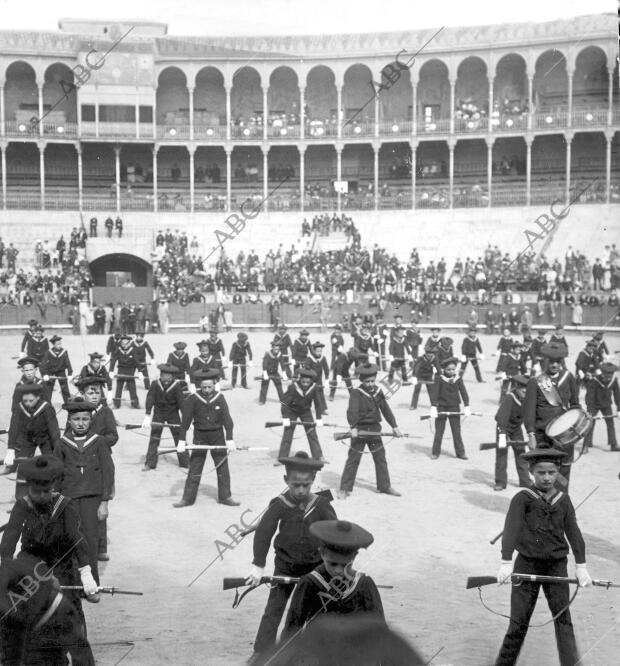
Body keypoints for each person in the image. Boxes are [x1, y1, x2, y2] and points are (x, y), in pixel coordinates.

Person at [494, 449, 591, 666]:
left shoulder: (564, 500)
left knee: (563, 620)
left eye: (551, 472)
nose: (546, 477)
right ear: (531, 473)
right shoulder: (522, 498)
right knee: (518, 623)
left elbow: (574, 533)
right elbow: (511, 529)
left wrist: (581, 565)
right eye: (541, 473)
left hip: (556, 566)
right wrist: (506, 562)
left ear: (558, 473)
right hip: (526, 564)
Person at [246, 452, 337, 664]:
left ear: (313, 480)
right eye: (295, 484)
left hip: (315, 567)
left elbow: (335, 535)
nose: (301, 490)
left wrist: (333, 566)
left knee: (316, 611)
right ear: (286, 480)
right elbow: (264, 534)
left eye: (306, 484)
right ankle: (262, 651)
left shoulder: (321, 504)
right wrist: (258, 565)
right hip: (285, 565)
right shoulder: (278, 503)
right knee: (273, 609)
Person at [281, 520, 384, 643]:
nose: (339, 570)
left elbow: (379, 629)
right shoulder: (309, 583)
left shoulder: (364, 584)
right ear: (322, 553)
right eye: (333, 564)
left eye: (345, 564)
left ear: (354, 556)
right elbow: (292, 630)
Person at [54, 397, 115, 600]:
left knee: (89, 542)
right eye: (76, 419)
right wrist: (54, 503)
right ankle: (72, 588)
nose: (81, 423)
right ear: (69, 421)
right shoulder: (61, 444)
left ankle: (91, 587)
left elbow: (108, 472)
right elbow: (55, 476)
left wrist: (104, 502)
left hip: (92, 501)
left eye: (85, 419)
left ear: (91, 420)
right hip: (68, 501)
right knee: (69, 542)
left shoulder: (99, 442)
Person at [173, 369, 239, 507]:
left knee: (222, 467)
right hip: (200, 436)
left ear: (214, 385)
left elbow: (227, 420)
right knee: (195, 467)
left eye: (209, 387)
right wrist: (181, 440)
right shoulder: (193, 398)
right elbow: (185, 421)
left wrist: (230, 439)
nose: (207, 390)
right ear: (199, 386)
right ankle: (187, 499)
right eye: (204, 387)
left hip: (217, 435)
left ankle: (225, 497)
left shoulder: (220, 398)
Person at [338, 364, 402, 498]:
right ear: (362, 381)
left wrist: (394, 426)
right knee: (353, 459)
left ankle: (384, 486)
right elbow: (352, 411)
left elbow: (386, 409)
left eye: (372, 381)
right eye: (367, 381)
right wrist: (353, 428)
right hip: (360, 430)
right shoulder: (356, 393)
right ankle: (345, 488)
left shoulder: (378, 392)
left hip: (374, 430)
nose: (370, 384)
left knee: (380, 458)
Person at [523, 343, 579, 487]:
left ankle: (561, 507)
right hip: (543, 438)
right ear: (545, 361)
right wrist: (530, 434)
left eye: (558, 361)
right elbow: (529, 411)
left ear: (562, 362)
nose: (554, 364)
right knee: (544, 477)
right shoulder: (535, 381)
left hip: (564, 437)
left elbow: (575, 405)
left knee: (563, 475)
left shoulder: (569, 378)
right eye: (551, 361)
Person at [7, 384, 61, 499]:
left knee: (51, 464)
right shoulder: (19, 408)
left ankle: (53, 495)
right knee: (22, 465)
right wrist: (10, 449)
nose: (27, 403)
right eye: (25, 400)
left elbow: (54, 431)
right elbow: (14, 428)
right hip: (27, 438)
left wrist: (57, 450)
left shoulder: (46, 408)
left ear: (38, 397)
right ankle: (21, 498)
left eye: (31, 400)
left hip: (45, 438)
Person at [143, 364, 190, 470]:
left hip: (173, 413)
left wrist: (186, 419)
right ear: (160, 375)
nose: (166, 378)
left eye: (169, 376)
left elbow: (181, 402)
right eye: (164, 375)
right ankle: (150, 462)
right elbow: (150, 398)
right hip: (158, 413)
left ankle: (185, 462)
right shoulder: (155, 384)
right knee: (155, 437)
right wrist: (147, 414)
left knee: (179, 436)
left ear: (173, 377)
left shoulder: (177, 386)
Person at [278, 368, 324, 462]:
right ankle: (282, 457)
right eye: (303, 382)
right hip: (292, 411)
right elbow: (284, 403)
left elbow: (318, 404)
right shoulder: (293, 387)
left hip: (305, 411)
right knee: (288, 433)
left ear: (311, 381)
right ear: (300, 380)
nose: (305, 385)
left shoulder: (314, 388)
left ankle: (318, 456)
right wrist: (285, 417)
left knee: (312, 433)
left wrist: (319, 418)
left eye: (308, 382)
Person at [494, 375, 530, 491]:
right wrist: (503, 435)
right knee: (502, 455)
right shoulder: (510, 398)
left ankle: (525, 481)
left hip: (516, 429)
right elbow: (501, 417)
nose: (525, 390)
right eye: (522, 388)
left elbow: (529, 419)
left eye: (527, 388)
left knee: (521, 454)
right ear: (516, 387)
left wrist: (531, 433)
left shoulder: (527, 399)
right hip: (503, 428)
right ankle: (500, 481)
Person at [430, 357, 470, 460]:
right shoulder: (439, 378)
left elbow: (463, 392)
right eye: (449, 369)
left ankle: (460, 453)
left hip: (454, 407)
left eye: (453, 369)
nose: (451, 371)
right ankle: (435, 452)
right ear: (444, 369)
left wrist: (467, 405)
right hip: (442, 407)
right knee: (439, 432)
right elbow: (434, 393)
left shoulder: (458, 378)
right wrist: (433, 406)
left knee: (456, 431)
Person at [583, 362, 619, 451]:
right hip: (594, 404)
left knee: (610, 424)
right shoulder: (594, 381)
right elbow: (589, 397)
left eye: (610, 376)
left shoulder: (614, 380)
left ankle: (613, 444)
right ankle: (586, 445)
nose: (607, 378)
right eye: (606, 376)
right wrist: (590, 411)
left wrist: (619, 409)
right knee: (590, 423)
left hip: (606, 405)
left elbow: (617, 396)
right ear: (602, 373)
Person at [109, 334, 140, 409]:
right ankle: (116, 404)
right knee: (119, 387)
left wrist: (140, 372)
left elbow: (137, 361)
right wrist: (111, 371)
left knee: (132, 386)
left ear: (129, 343)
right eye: (122, 343)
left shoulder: (133, 350)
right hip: (121, 369)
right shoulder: (118, 350)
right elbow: (113, 360)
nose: (124, 345)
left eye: (126, 343)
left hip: (130, 370)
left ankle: (135, 404)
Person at [40, 334, 73, 404]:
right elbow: (43, 364)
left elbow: (68, 363)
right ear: (53, 345)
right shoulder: (49, 352)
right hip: (51, 372)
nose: (59, 345)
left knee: (65, 388)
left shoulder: (64, 352)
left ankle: (68, 403)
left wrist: (70, 373)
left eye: (60, 344)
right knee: (48, 389)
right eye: (57, 344)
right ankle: (47, 403)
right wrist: (44, 374)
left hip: (61, 372)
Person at [303, 342, 329, 416]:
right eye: (317, 351)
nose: (319, 353)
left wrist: (327, 379)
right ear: (313, 351)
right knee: (308, 394)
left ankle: (322, 409)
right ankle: (303, 408)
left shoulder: (323, 358)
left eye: (320, 351)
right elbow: (306, 369)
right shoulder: (309, 358)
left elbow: (326, 369)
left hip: (319, 380)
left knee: (320, 394)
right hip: (310, 380)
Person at [259, 339, 285, 405]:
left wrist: (284, 373)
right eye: (275, 349)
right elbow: (264, 364)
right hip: (267, 372)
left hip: (275, 372)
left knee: (279, 386)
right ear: (272, 348)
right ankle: (262, 400)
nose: (276, 350)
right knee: (264, 386)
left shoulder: (279, 354)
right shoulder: (268, 354)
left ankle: (282, 400)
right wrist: (264, 373)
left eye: (277, 349)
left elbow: (282, 364)